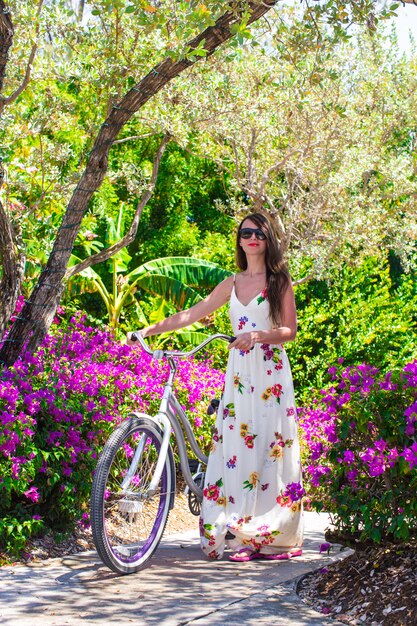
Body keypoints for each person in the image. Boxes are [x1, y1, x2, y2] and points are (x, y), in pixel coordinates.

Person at [127, 212, 304, 562]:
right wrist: (148, 331)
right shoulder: (231, 282)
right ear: (239, 240)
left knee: (269, 449)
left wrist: (258, 335)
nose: (252, 238)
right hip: (239, 375)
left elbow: (289, 331)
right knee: (237, 447)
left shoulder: (279, 280)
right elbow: (193, 313)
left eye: (259, 233)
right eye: (246, 233)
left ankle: (271, 539)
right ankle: (240, 534)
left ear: (268, 239)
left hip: (269, 375)